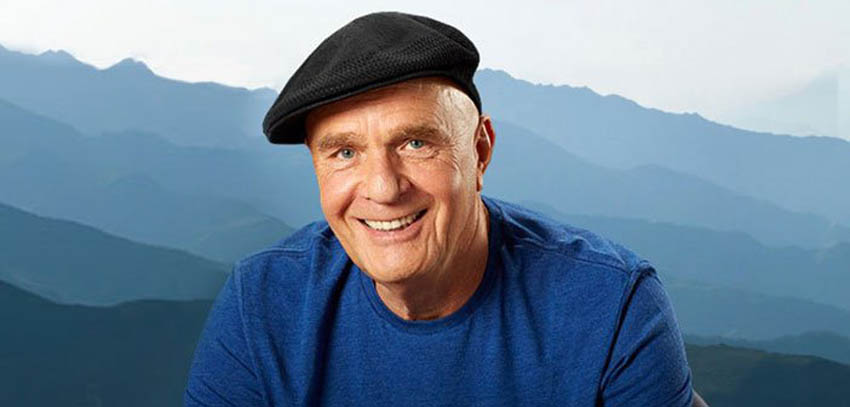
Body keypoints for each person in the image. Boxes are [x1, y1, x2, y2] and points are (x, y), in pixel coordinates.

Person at [185, 11, 706, 406]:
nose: (383, 188)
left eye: (416, 143)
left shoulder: (609, 305)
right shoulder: (262, 302)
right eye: (344, 152)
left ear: (480, 151)